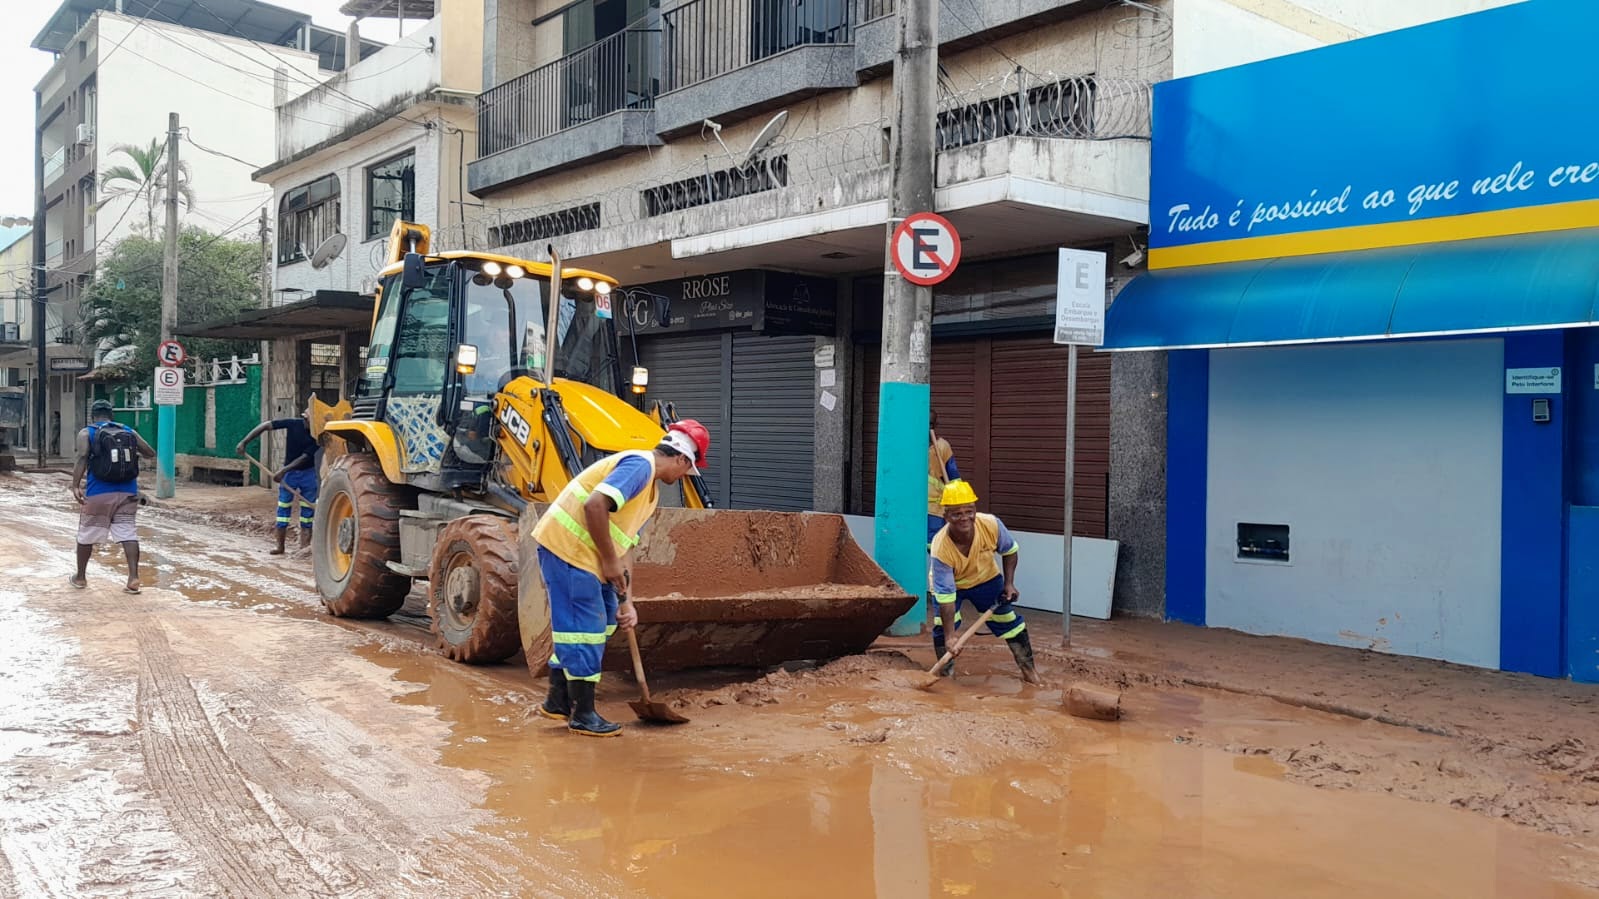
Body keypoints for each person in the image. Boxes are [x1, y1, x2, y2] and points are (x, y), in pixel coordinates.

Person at [533, 419, 711, 737]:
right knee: (582, 632)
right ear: (683, 459)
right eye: (687, 470)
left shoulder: (650, 492)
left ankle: (558, 700)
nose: (684, 476)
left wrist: (628, 601)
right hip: (568, 550)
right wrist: (609, 561)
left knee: (603, 625)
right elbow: (595, 505)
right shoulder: (639, 466)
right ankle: (583, 715)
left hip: (589, 558)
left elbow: (626, 542)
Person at [928, 479, 1041, 684]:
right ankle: (946, 677)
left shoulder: (990, 524)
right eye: (957, 513)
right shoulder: (940, 548)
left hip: (985, 578)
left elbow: (1010, 551)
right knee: (943, 626)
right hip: (952, 585)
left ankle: (1030, 672)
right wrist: (951, 638)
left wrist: (1009, 583)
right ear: (946, 517)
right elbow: (946, 599)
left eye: (969, 511)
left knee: (1009, 622)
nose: (965, 518)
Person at [70, 399, 155, 593]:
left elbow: (82, 457)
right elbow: (150, 453)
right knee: (128, 533)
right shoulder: (128, 431)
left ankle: (81, 578)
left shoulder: (87, 432)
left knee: (87, 535)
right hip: (128, 492)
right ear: (112, 415)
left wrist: (75, 485)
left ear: (92, 415)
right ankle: (133, 578)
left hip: (99, 492)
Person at [236, 398, 321, 555]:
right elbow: (266, 425)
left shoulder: (317, 436)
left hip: (307, 474)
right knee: (283, 509)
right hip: (289, 474)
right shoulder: (293, 424)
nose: (314, 426)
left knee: (308, 514)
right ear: (306, 418)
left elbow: (304, 457)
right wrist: (244, 442)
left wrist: (282, 471)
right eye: (313, 422)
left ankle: (304, 548)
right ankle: (280, 547)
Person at [927, 409, 960, 544]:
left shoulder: (942, 446)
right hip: (912, 506)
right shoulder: (910, 446)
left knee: (935, 543)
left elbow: (953, 476)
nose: (928, 428)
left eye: (931, 424)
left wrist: (958, 503)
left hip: (935, 508)